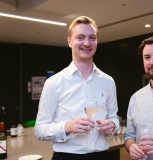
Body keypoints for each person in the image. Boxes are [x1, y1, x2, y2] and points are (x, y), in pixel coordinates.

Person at [34, 16, 119, 160]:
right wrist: (68, 127)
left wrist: (113, 125)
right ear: (69, 41)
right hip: (67, 157)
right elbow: (39, 129)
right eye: (80, 37)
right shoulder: (54, 82)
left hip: (103, 156)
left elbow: (114, 118)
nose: (87, 43)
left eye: (92, 38)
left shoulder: (108, 81)